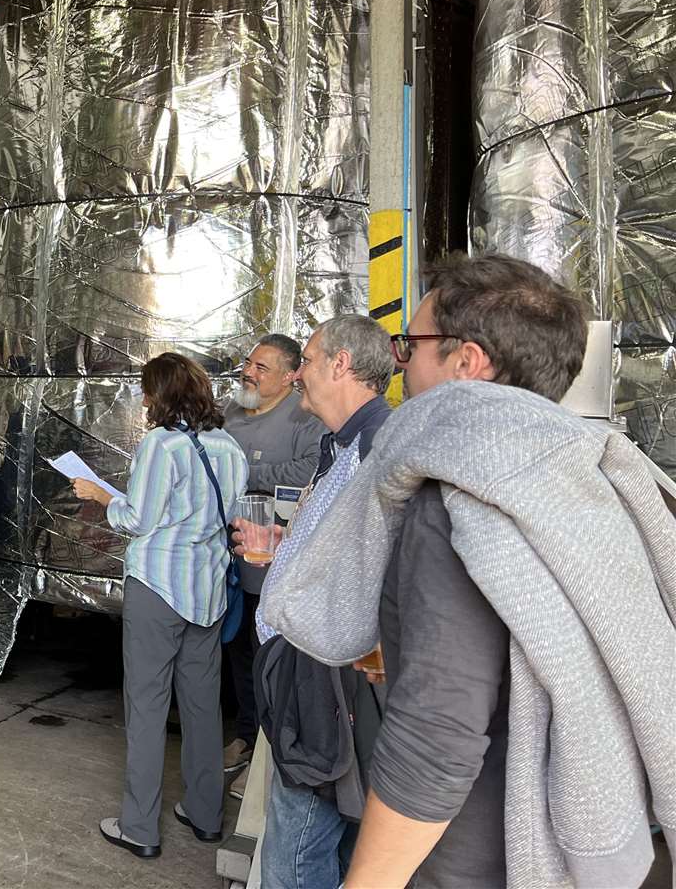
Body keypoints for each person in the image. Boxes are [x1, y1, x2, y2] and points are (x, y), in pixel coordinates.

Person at [264, 256, 657, 887]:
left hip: (469, 853)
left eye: (411, 345)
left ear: (466, 363)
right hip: (560, 837)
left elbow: (437, 733)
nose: (400, 363)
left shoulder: (452, 497)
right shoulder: (582, 474)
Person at [233, 315, 394, 889]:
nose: (298, 373)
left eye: (305, 360)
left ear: (341, 364)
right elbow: (341, 548)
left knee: (296, 857)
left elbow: (384, 573)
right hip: (304, 672)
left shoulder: (380, 448)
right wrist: (284, 545)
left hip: (325, 683)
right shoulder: (339, 445)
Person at [71, 353, 246, 857]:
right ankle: (206, 813)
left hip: (157, 587)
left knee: (146, 707)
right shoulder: (229, 446)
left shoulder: (160, 445)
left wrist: (103, 498)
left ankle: (140, 828)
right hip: (207, 591)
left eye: (148, 391)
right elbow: (226, 519)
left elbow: (139, 519)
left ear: (161, 395)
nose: (144, 400)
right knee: (202, 705)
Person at [220, 334, 323, 792]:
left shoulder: (305, 417)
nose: (249, 372)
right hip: (229, 558)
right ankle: (245, 735)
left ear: (289, 376)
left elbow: (306, 472)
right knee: (238, 652)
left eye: (262, 368)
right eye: (249, 363)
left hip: (273, 561)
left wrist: (241, 473)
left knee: (270, 659)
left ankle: (265, 757)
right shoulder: (231, 413)